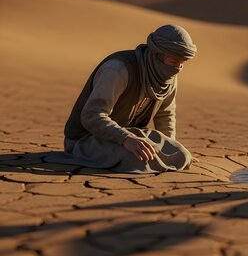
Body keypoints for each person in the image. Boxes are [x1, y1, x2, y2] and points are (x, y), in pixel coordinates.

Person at [45, 24, 197, 173]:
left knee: (182, 156)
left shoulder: (168, 77)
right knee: (136, 159)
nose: (178, 69)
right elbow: (92, 116)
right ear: (157, 55)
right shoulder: (118, 69)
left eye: (182, 64)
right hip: (86, 139)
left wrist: (172, 146)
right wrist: (125, 139)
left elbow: (165, 115)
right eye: (174, 62)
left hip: (129, 135)